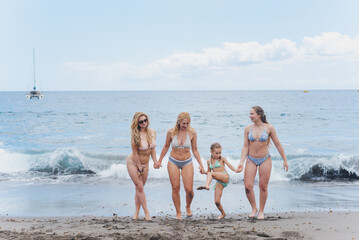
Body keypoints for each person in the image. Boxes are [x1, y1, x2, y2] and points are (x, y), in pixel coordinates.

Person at [236, 106, 289, 220]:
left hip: (265, 159)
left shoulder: (269, 128)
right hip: (251, 159)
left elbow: (278, 144)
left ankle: (261, 211)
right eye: (250, 114)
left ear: (259, 114)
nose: (250, 116)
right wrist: (241, 162)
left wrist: (285, 160)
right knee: (248, 187)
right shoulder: (247, 129)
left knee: (263, 187)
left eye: (252, 114)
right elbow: (245, 147)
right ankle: (254, 208)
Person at [156, 112, 205, 220]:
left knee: (189, 189)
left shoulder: (192, 132)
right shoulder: (171, 132)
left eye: (187, 123)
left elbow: (195, 150)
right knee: (175, 188)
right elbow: (165, 146)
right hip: (173, 161)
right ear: (178, 122)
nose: (185, 126)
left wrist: (201, 165)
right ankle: (178, 213)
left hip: (187, 161)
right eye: (183, 123)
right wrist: (159, 161)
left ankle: (188, 206)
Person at [126, 112, 158, 220]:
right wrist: (139, 167)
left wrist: (155, 161)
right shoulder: (135, 136)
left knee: (139, 188)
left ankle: (136, 212)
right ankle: (147, 213)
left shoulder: (153, 132)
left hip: (146, 163)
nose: (144, 123)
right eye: (141, 122)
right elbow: (135, 153)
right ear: (137, 123)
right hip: (134, 163)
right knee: (140, 187)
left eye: (145, 120)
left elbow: (152, 149)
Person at [197, 143, 238, 219]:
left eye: (220, 153)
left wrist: (235, 170)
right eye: (217, 153)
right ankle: (223, 214)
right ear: (211, 152)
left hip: (225, 177)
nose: (219, 155)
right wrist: (203, 172)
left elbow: (229, 165)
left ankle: (207, 186)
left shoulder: (222, 159)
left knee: (211, 174)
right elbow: (208, 173)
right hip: (219, 181)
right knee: (217, 202)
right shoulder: (209, 161)